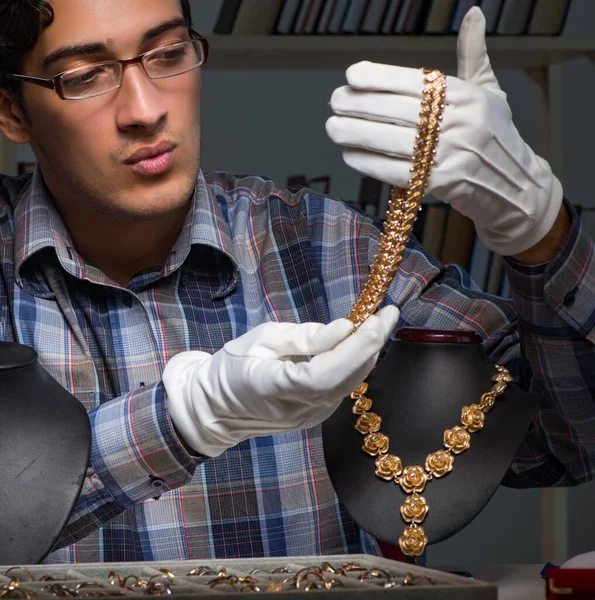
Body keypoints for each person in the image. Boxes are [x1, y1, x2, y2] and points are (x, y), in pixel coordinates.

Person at [0, 0, 592, 565]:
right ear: (12, 111)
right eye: (82, 76)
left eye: (168, 52)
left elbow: (566, 445)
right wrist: (181, 417)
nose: (144, 109)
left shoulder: (330, 249)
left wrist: (541, 236)